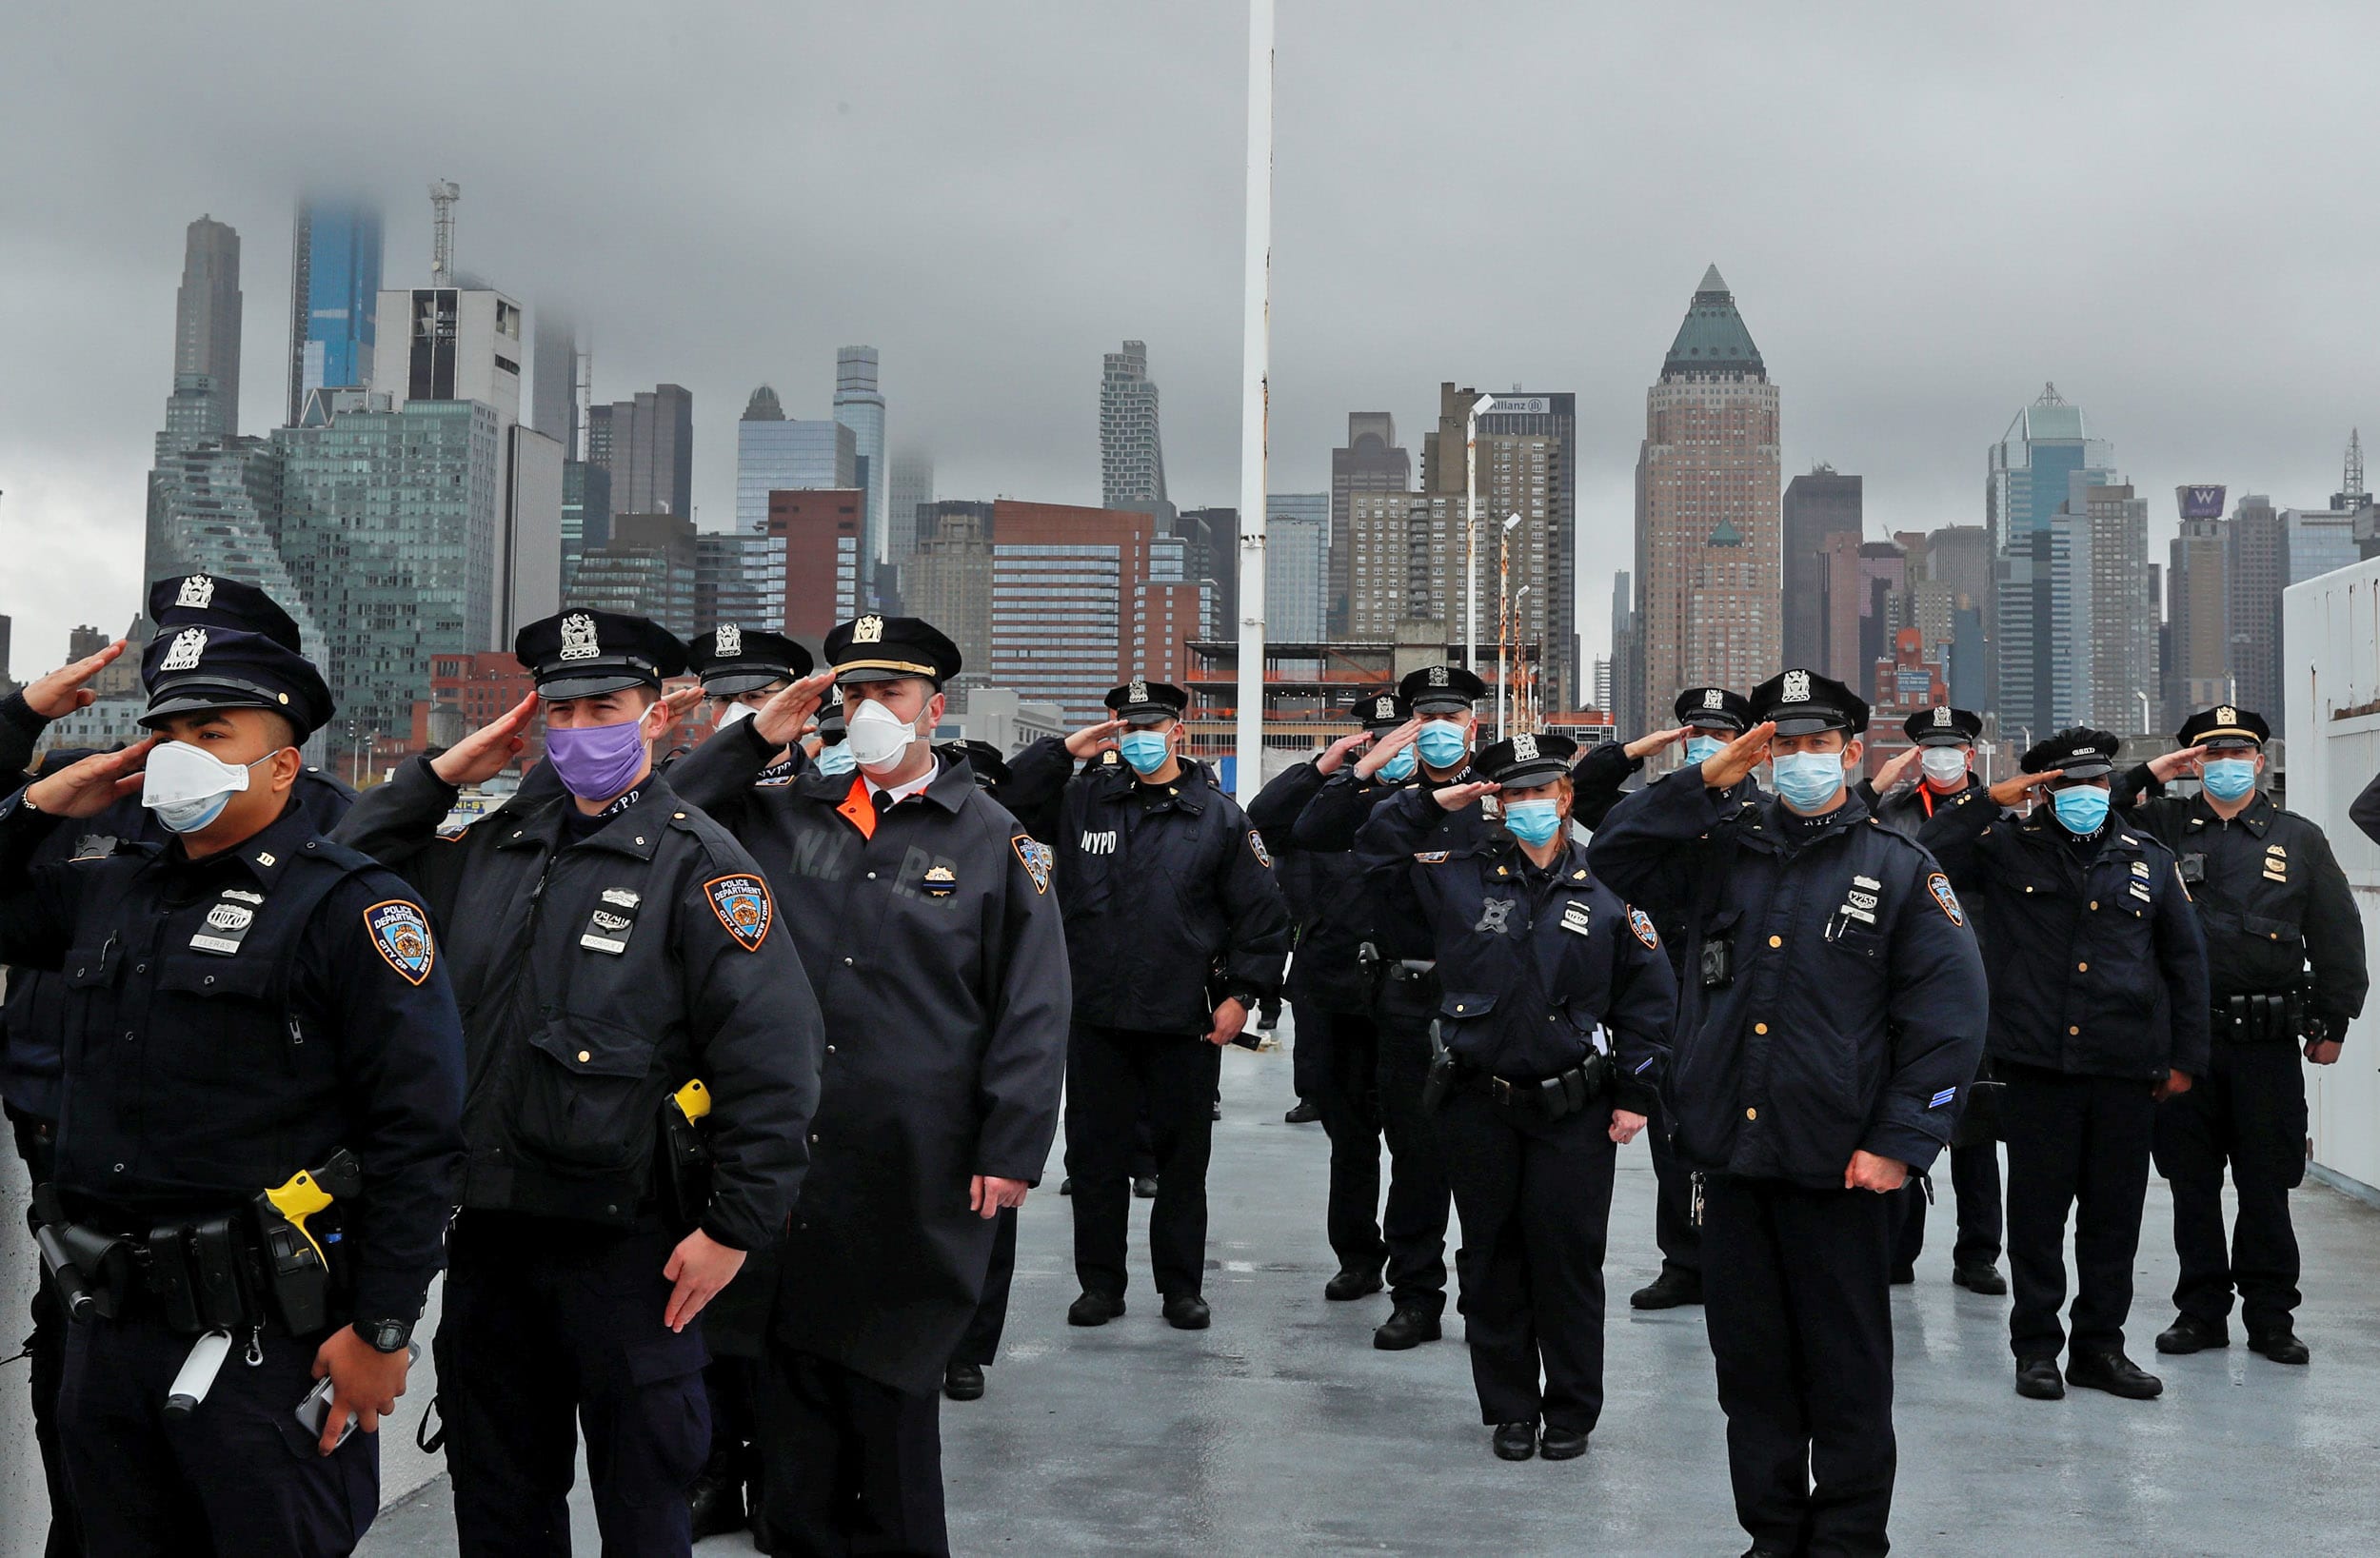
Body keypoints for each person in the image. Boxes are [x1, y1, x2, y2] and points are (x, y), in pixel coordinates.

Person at [331, 608, 823, 1558]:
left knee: (645, 1509)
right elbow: (346, 872)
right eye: (560, 712)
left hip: (631, 1252)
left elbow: (772, 1065)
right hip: (490, 1243)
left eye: (604, 707)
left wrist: (733, 1231)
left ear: (656, 718)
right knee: (500, 1501)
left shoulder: (704, 867)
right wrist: (438, 776)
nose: (579, 731)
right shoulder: (491, 853)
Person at [0, 615, 465, 1557]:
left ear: (285, 766)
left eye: (214, 733)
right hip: (107, 1324)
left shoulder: (350, 906)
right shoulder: (107, 887)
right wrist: (39, 799)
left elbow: (417, 1134)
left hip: (266, 1339)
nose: (181, 754)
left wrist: (381, 1328)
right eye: (168, 732)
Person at [1588, 667, 1986, 1558]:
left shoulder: (1898, 869)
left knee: (1846, 1373)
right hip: (1729, 1160)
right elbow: (1609, 855)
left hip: (1841, 1168)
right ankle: (1772, 1534)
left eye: (1819, 743)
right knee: (1752, 1372)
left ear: (1852, 753)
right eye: (1785, 744)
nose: (1803, 759)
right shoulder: (1718, 848)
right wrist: (1705, 779)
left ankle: (1847, 1539)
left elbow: (1949, 1021)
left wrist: (1900, 1143)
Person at [1355, 731, 1674, 1461]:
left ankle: (1569, 1408)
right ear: (1495, 800)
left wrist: (1637, 1092)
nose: (1530, 803)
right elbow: (1373, 855)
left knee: (1565, 1260)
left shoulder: (1607, 888)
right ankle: (1510, 1408)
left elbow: (1650, 1000)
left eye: (1542, 790)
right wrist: (1432, 800)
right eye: (1514, 792)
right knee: (1493, 1257)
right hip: (1479, 1100)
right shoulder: (1454, 874)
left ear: (1566, 796)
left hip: (1575, 1108)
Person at [1919, 728, 2208, 1401]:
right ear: (2044, 790)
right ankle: (2037, 1349)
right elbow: (1923, 854)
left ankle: (2100, 1348)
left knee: (2114, 1219)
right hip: (2039, 1067)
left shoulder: (2148, 859)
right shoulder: (2004, 848)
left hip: (2124, 1068)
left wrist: (2186, 1058)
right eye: (2070, 784)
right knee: (2039, 1218)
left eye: (2097, 783)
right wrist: (1990, 799)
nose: (2086, 796)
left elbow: (2186, 964)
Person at [1002, 677, 1288, 1331]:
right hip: (1097, 1015)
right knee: (1093, 1161)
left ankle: (1180, 1287)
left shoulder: (1217, 815)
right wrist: (1064, 750)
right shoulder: (1083, 801)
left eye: (1149, 726)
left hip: (1183, 1018)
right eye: (1126, 727)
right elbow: (1007, 800)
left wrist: (1244, 993)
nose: (1138, 739)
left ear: (1176, 732)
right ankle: (1100, 1285)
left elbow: (1262, 915)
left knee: (1182, 1164)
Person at [2114, 704, 2369, 1367]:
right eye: (2211, 754)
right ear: (2195, 763)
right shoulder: (2160, 827)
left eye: (2239, 753)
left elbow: (2338, 935)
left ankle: (2272, 1317)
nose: (2226, 765)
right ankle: (2200, 1312)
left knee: (2266, 1187)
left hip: (2266, 1045)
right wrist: (2153, 771)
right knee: (2192, 1186)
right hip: (2186, 1047)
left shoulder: (2299, 837)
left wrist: (2334, 1021)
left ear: (2261, 760)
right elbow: (2089, 814)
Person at [1291, 663, 1491, 1350]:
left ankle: (1488, 1293)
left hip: (1491, 1006)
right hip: (1409, 1001)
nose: (1440, 731)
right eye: (1425, 718)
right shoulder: (1387, 805)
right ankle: (1415, 1294)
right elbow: (1310, 828)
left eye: (1451, 717)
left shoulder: (1501, 800)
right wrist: (1365, 768)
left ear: (1475, 724)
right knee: (1416, 1158)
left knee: (1491, 1163)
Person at [675, 622, 816, 1542]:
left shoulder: (829, 799)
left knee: (800, 1301)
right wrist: (745, 742)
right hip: (697, 1091)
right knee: (710, 1301)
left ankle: (789, 1481)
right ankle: (715, 1469)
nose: (743, 712)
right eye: (728, 699)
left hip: (806, 1084)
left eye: (762, 696)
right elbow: (674, 796)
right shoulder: (684, 801)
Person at [1570, 685, 1766, 1312]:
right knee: (1673, 1135)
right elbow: (1593, 804)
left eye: (1719, 733)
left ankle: (1739, 1259)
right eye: (1694, 732)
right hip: (1667, 987)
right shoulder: (1664, 812)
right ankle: (1682, 1259)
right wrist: (1635, 753)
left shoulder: (1764, 814)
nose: (1705, 743)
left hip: (1739, 993)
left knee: (1740, 1135)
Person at [1245, 692, 1408, 1304]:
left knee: (1421, 1143)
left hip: (1413, 994)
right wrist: (1327, 766)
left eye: (1406, 735)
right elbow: (1263, 819)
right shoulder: (1330, 799)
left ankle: (1418, 1271)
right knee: (1351, 1138)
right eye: (1382, 735)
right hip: (1335, 989)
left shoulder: (1444, 801)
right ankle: (1358, 1256)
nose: (1394, 746)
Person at [1858, 705, 2007, 1295]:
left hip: (1975, 983)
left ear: (1971, 755)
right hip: (1905, 981)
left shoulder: (1997, 817)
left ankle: (1978, 1253)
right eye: (1932, 748)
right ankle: (1898, 1248)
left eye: (1955, 748)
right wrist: (1880, 783)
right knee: (1902, 1115)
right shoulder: (1892, 814)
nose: (1944, 758)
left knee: (1975, 1129)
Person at [930, 737, 1030, 1408]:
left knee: (983, 1221)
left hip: (974, 1068)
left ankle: (967, 1348)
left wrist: (1014, 1137)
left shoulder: (1002, 841)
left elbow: (1031, 1002)